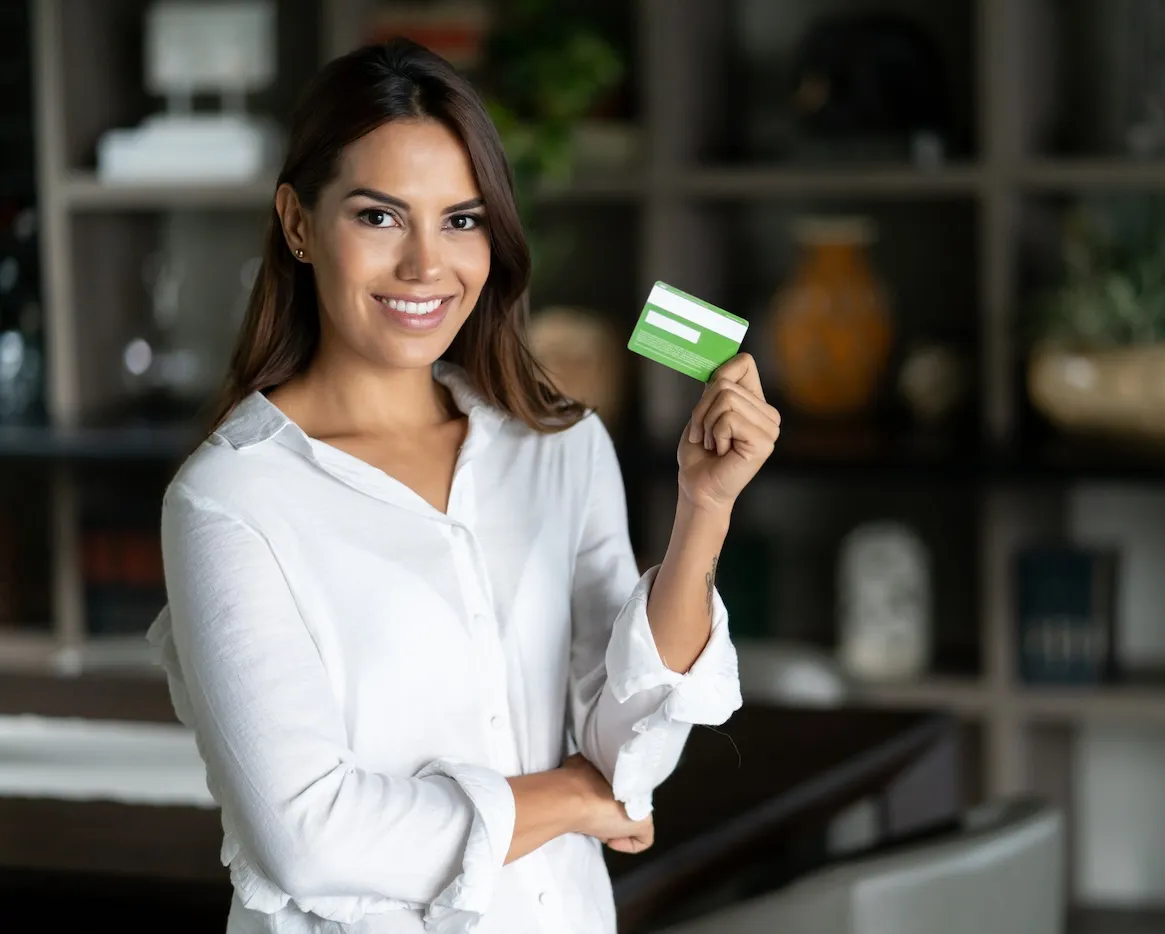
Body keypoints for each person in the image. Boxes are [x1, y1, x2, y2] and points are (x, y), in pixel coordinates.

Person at [147, 38, 780, 934]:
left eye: (461, 219)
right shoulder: (229, 500)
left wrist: (704, 508)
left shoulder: (559, 446)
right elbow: (308, 837)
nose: (424, 267)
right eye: (378, 217)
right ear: (297, 223)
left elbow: (628, 754)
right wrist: (564, 798)